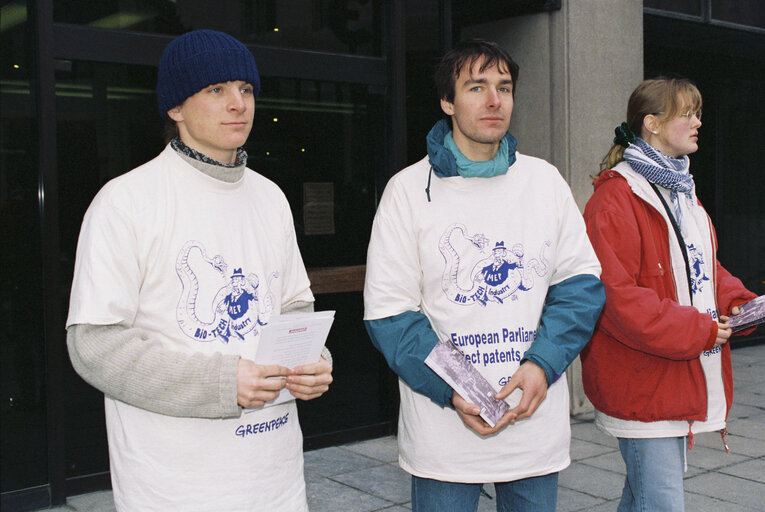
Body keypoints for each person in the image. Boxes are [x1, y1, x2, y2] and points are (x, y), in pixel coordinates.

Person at [66, 29, 333, 512]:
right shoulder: (126, 201)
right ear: (175, 107)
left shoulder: (270, 197)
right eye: (216, 90)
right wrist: (219, 383)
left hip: (276, 481)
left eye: (246, 89)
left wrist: (314, 361)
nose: (238, 104)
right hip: (175, 487)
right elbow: (94, 345)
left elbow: (294, 305)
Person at [363, 39, 605, 512]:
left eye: (504, 87)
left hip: (533, 427)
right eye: (477, 87)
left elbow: (580, 287)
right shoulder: (407, 191)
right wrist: (457, 389)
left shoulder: (544, 182)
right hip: (445, 436)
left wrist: (542, 364)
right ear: (447, 102)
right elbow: (390, 314)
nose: (494, 101)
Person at [581, 77, 757, 511]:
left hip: (673, 378)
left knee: (644, 497)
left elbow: (703, 269)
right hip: (643, 380)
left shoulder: (681, 190)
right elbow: (616, 297)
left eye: (698, 112)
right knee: (659, 502)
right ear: (652, 124)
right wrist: (697, 329)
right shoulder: (615, 199)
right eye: (688, 114)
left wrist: (740, 302)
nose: (699, 122)